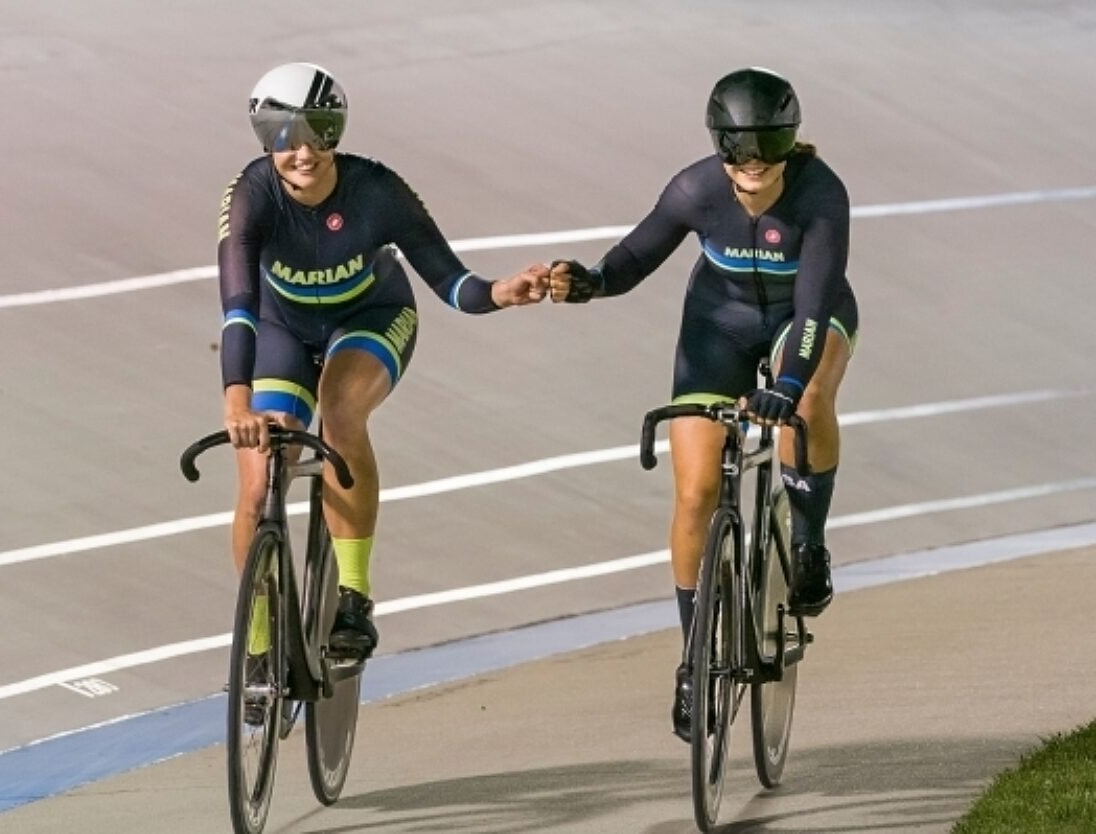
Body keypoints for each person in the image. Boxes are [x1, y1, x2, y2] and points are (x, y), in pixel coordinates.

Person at [548, 67, 858, 742]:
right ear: (720, 149)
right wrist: (591, 283)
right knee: (693, 494)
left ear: (789, 146)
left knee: (804, 402)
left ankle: (808, 541)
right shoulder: (695, 189)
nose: (755, 168)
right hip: (717, 325)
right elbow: (634, 257)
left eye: (770, 152)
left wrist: (785, 384)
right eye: (741, 154)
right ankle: (693, 658)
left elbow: (810, 310)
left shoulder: (821, 196)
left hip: (807, 322)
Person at [217, 62, 549, 660]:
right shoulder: (252, 196)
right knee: (258, 477)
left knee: (340, 415)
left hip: (370, 318)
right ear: (265, 141)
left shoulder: (377, 191)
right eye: (285, 137)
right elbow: (238, 307)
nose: (303, 151)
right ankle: (260, 644)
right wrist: (236, 400)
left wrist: (499, 292)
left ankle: (352, 596)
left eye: (319, 131)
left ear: (337, 131)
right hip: (279, 328)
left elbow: (451, 282)